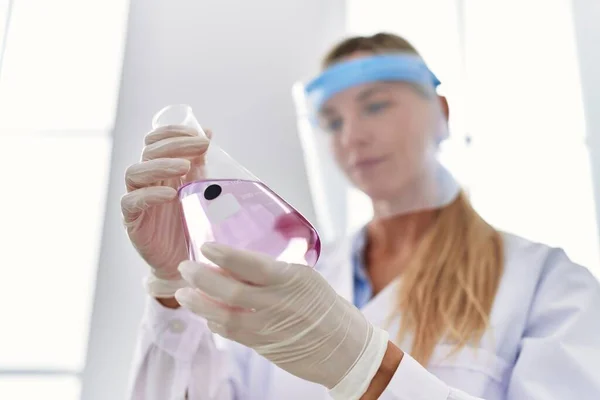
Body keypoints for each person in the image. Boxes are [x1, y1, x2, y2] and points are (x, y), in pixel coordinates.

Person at [121, 33, 600, 399]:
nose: (351, 136)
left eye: (375, 106)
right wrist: (171, 288)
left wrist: (368, 370)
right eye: (332, 121)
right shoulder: (288, 277)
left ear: (441, 112)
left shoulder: (546, 284)